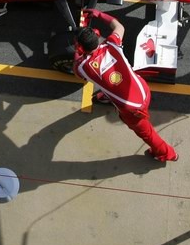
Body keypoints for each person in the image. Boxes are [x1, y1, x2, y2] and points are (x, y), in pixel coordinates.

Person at [72, 9, 178, 162]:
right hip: (143, 91)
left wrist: (77, 51)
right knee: (112, 87)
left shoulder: (83, 67)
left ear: (81, 48)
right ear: (97, 35)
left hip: (132, 110)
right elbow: (119, 26)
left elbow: (76, 68)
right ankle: (106, 97)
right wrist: (99, 14)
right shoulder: (112, 44)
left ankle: (168, 154)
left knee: (147, 134)